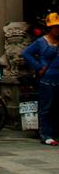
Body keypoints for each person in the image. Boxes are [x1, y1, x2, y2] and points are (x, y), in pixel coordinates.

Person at [23, 12, 59, 145]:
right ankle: (46, 135)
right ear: (49, 27)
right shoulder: (41, 42)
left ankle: (55, 132)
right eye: (54, 26)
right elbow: (26, 53)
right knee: (46, 107)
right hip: (47, 79)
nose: (57, 29)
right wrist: (38, 67)